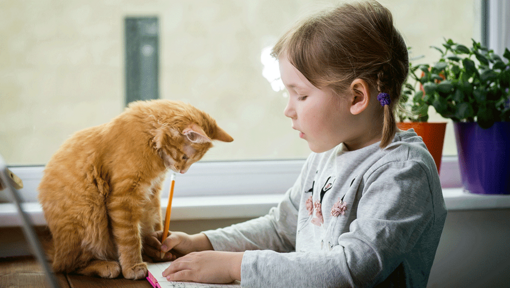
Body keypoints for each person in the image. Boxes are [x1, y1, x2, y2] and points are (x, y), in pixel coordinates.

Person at [143, 1, 447, 287]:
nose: (289, 109)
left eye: (300, 95)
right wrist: (203, 243)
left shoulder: (403, 172)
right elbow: (281, 229)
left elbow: (352, 269)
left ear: (357, 97)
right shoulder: (328, 154)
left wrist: (235, 266)